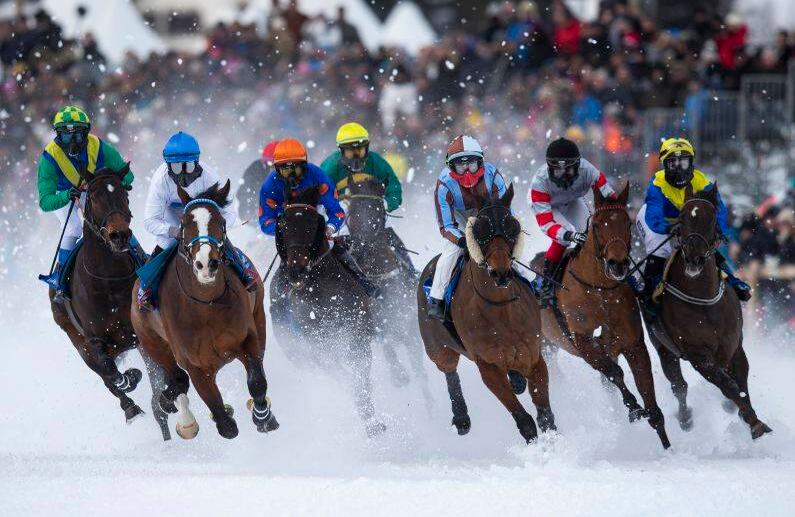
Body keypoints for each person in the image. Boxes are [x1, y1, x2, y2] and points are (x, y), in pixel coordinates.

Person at [137, 131, 257, 311]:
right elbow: (150, 220)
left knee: (216, 242)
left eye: (189, 166)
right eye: (177, 167)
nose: (183, 173)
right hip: (174, 218)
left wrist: (215, 226)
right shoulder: (160, 181)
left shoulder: (209, 176)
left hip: (205, 220)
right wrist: (174, 231)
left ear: (197, 162)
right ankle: (146, 287)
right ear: (168, 166)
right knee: (166, 243)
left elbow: (229, 213)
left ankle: (244, 270)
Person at [37, 105, 142, 302]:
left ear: (87, 132)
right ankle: (60, 279)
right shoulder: (49, 158)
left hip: (91, 188)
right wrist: (68, 195)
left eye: (77, 135)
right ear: (58, 136)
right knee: (73, 227)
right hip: (64, 194)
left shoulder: (100, 146)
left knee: (111, 216)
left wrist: (113, 182)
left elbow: (128, 176)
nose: (73, 142)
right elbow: (45, 201)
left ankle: (140, 257)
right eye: (66, 136)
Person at [636, 137, 752, 310]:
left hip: (688, 219)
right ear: (664, 165)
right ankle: (650, 287)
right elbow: (653, 216)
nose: (678, 169)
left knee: (706, 244)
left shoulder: (702, 181)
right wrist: (668, 228)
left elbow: (718, 210)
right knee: (661, 247)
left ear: (691, 163)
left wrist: (718, 230)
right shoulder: (656, 184)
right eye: (672, 164)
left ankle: (733, 281)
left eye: (683, 163)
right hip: (660, 222)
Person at [258, 137, 381, 297]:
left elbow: (336, 212)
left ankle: (364, 284)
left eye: (296, 170)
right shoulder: (269, 186)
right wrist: (285, 229)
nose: (291, 177)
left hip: (317, 224)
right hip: (291, 234)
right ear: (276, 170)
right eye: (286, 171)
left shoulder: (317, 176)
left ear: (305, 166)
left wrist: (329, 228)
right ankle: (280, 308)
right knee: (280, 283)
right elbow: (265, 221)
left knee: (339, 252)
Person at [530, 137, 616, 308]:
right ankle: (546, 282)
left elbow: (610, 197)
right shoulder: (539, 182)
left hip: (573, 201)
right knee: (565, 234)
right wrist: (568, 234)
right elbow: (547, 224)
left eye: (568, 171)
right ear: (549, 168)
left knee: (590, 230)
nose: (562, 176)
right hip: (549, 206)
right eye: (557, 171)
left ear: (578, 166)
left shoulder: (589, 170)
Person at [320, 122, 416, 275]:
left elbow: (394, 186)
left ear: (367, 147)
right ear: (342, 151)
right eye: (351, 152)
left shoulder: (376, 162)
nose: (356, 156)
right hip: (341, 212)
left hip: (374, 208)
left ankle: (410, 272)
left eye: (360, 150)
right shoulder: (330, 167)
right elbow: (318, 194)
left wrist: (387, 203)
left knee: (390, 236)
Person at [428, 135, 506, 319]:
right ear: (450, 166)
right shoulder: (443, 185)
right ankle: (437, 299)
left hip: (487, 211)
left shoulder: (494, 177)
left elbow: (505, 212)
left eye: (471, 164)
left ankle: (532, 284)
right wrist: (462, 240)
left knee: (506, 246)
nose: (466, 172)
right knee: (452, 251)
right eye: (460, 166)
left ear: (480, 162)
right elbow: (446, 226)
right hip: (458, 215)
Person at [238, 139, 279, 220]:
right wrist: (250, 212)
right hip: (256, 218)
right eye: (272, 165)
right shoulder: (255, 170)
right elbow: (244, 193)